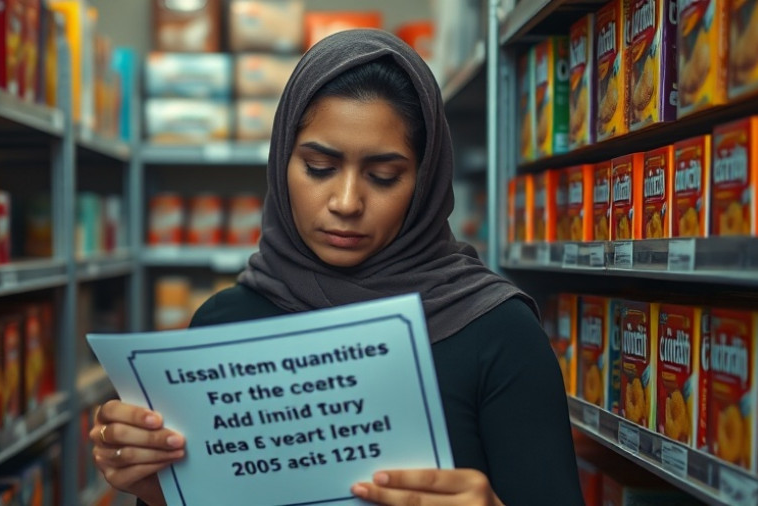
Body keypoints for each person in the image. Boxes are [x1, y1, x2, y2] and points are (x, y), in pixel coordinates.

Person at [90, 29, 584, 505]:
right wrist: (161, 493)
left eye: (384, 176)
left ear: (428, 180)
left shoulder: (498, 332)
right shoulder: (223, 325)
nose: (346, 202)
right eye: (319, 169)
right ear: (282, 160)